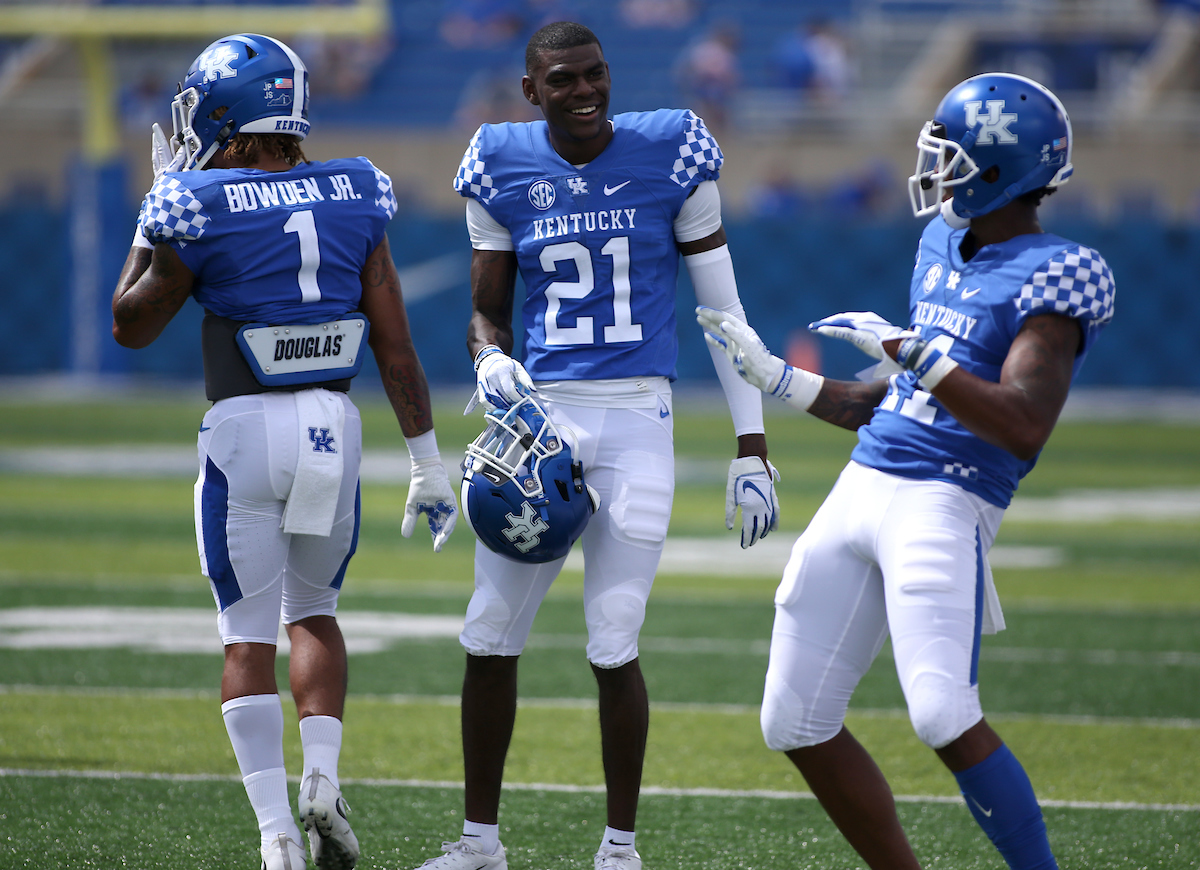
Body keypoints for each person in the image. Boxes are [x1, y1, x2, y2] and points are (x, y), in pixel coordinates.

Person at [698, 72, 1114, 869]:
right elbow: (895, 398)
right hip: (863, 485)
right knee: (792, 721)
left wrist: (914, 350)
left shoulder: (1057, 272)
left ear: (1004, 170)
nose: (937, 169)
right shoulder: (939, 243)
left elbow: (1022, 422)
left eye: (952, 156)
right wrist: (778, 378)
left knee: (942, 715)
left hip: (946, 501)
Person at [420, 20, 778, 870]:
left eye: (596, 74)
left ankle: (620, 850)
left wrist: (752, 444)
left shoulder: (674, 150)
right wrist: (492, 359)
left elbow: (724, 316)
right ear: (531, 90)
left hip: (637, 417)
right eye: (564, 79)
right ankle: (480, 844)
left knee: (614, 637)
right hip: (540, 420)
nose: (585, 91)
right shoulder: (500, 162)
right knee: (487, 631)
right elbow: (485, 314)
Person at [111, 33, 459, 870]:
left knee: (245, 639)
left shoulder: (197, 202)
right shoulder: (356, 191)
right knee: (316, 617)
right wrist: (427, 460)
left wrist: (153, 212)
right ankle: (324, 781)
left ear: (229, 113)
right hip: (334, 430)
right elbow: (397, 347)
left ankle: (275, 837)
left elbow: (130, 323)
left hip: (244, 430)